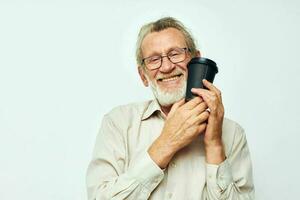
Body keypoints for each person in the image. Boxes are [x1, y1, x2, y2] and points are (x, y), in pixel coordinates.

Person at [86, 17, 255, 200]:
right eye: (153, 59)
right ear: (143, 75)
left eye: (175, 54)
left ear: (196, 61)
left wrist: (214, 144)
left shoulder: (232, 133)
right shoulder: (118, 123)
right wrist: (167, 142)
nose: (166, 67)